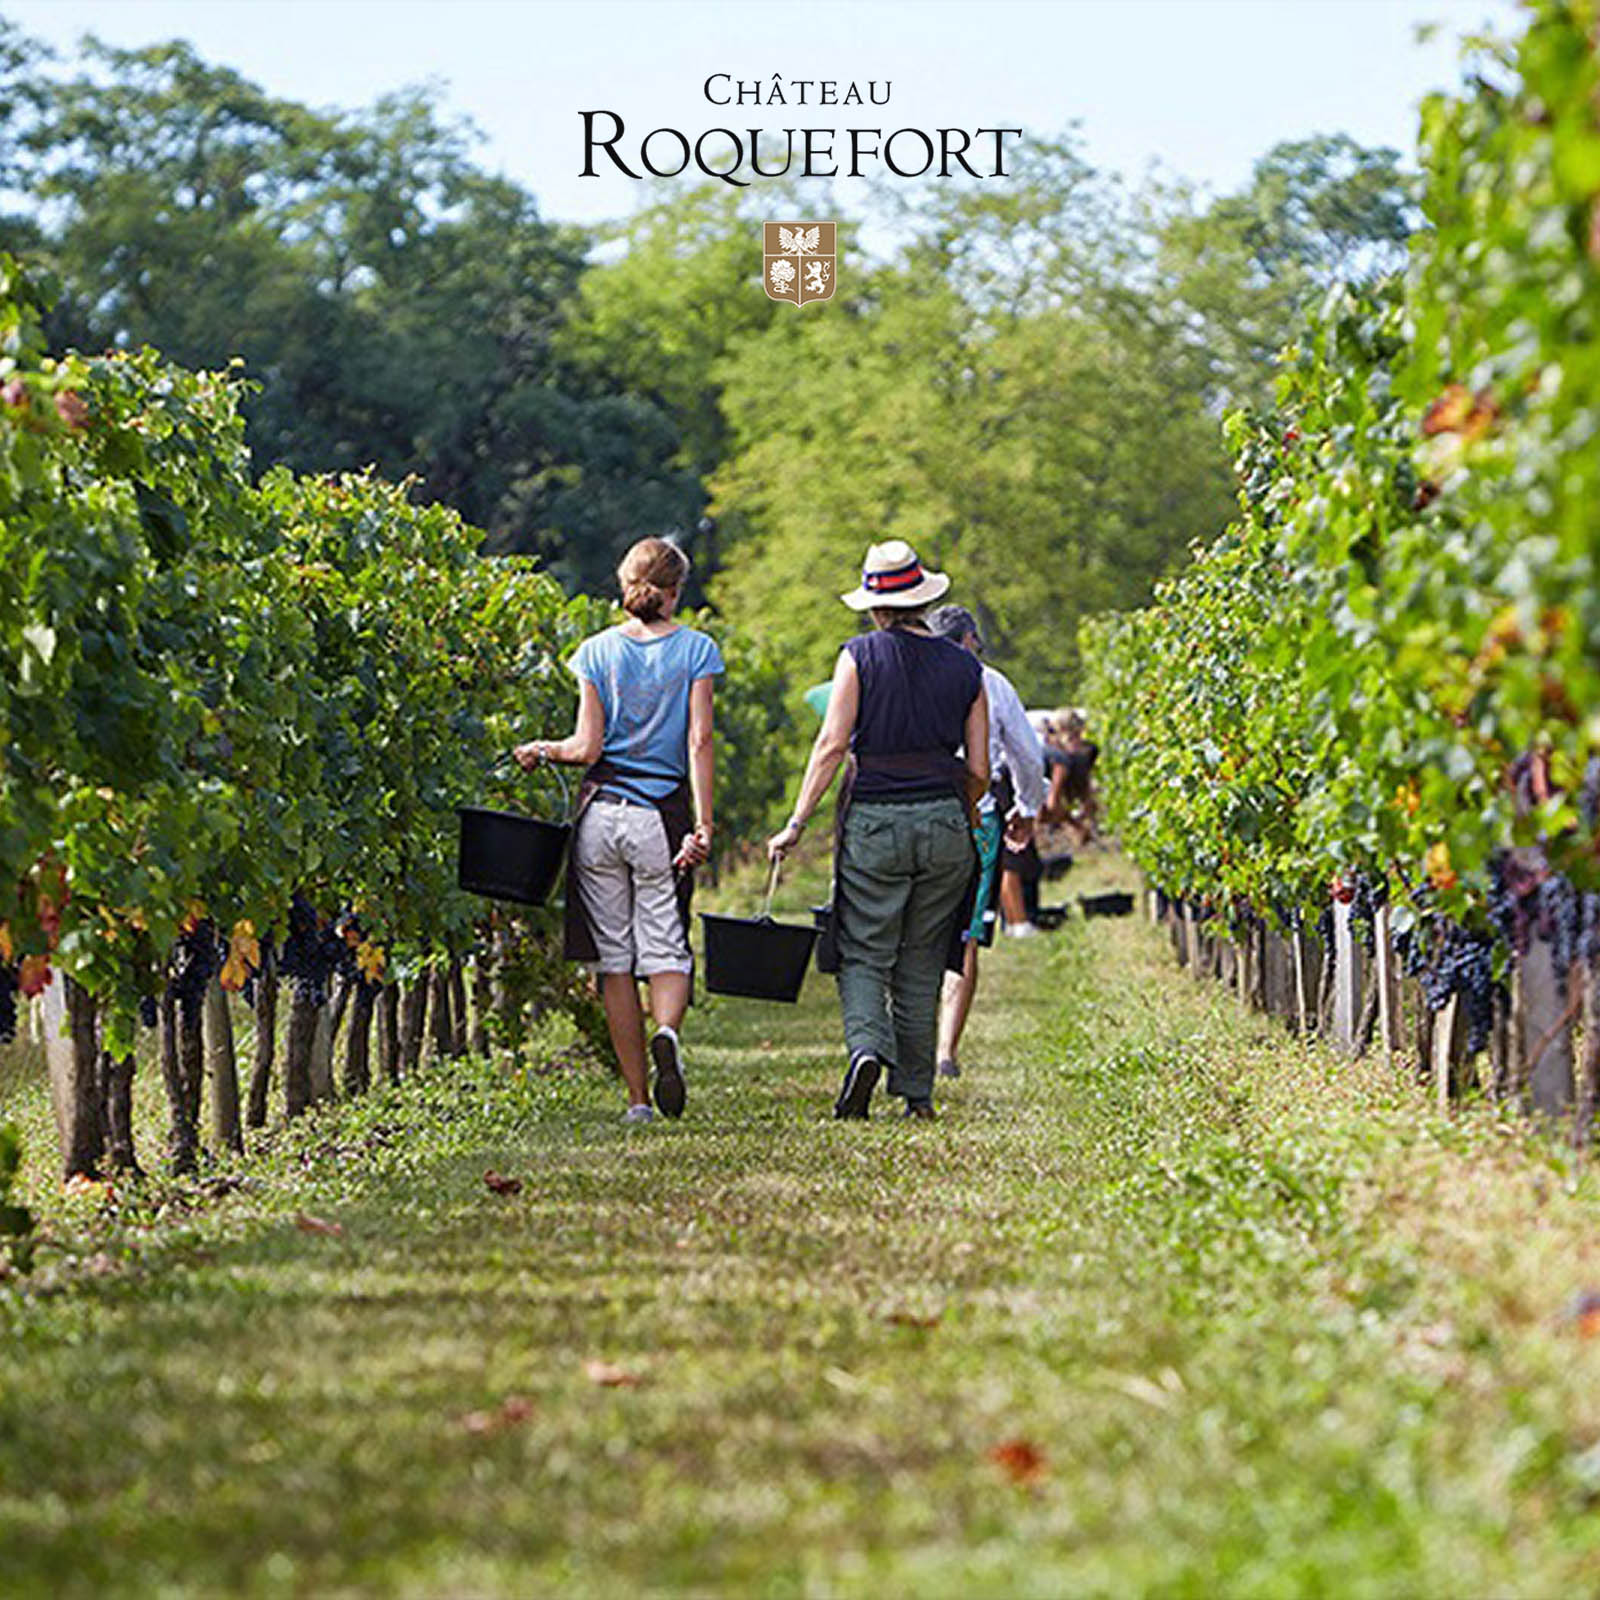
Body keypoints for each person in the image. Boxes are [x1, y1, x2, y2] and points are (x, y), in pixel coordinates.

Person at [768, 540, 988, 1121]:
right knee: (922, 957)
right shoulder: (966, 667)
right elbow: (980, 769)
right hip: (945, 820)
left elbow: (832, 744)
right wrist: (962, 816)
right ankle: (917, 1093)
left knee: (864, 950)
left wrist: (796, 823)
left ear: (875, 607)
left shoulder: (859, 656)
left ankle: (867, 1048)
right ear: (923, 600)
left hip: (874, 822)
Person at [514, 537, 720, 1125]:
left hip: (601, 816)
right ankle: (667, 1034)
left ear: (624, 584)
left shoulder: (596, 651)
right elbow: (699, 740)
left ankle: (636, 1101)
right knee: (667, 945)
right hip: (658, 815)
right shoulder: (697, 650)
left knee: (614, 960)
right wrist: (703, 824)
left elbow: (587, 747)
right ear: (676, 592)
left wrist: (542, 749)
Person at [926, 605, 1044, 1081]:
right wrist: (1028, 807)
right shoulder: (990, 682)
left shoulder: (909, 677)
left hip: (914, 808)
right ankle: (945, 1050)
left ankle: (901, 1038)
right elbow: (1027, 755)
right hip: (978, 814)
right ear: (970, 639)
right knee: (966, 932)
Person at [1044, 709, 1100, 848]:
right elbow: (1052, 804)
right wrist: (1076, 825)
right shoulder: (1061, 759)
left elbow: (1052, 804)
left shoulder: (1061, 757)